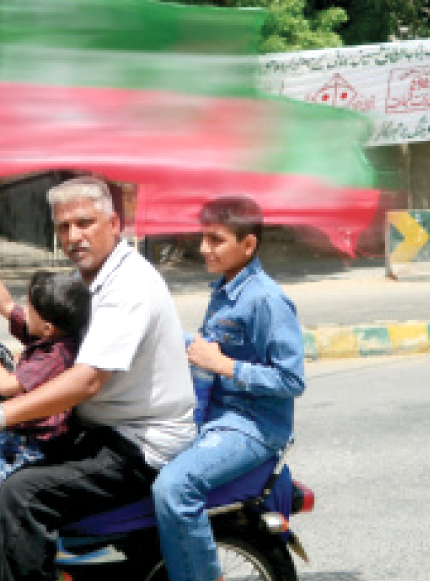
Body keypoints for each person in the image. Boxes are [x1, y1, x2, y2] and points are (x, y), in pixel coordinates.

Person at [0, 176, 196, 581]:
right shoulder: (93, 280)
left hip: (138, 444)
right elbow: (21, 318)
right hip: (101, 429)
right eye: (63, 227)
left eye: (85, 223)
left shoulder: (127, 287)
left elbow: (86, 381)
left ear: (114, 224)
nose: (74, 236)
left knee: (21, 495)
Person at [151, 195, 306, 581]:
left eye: (216, 240)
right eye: (203, 238)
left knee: (174, 488)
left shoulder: (267, 300)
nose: (204, 249)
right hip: (213, 415)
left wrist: (224, 365)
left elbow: (291, 380)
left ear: (248, 244)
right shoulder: (224, 289)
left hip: (252, 427)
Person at [0, 250, 90, 535]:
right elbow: (6, 305)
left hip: (36, 446)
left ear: (47, 325)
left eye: (30, 309)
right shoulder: (47, 333)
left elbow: (7, 385)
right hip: (20, 432)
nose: (24, 311)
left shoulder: (56, 354)